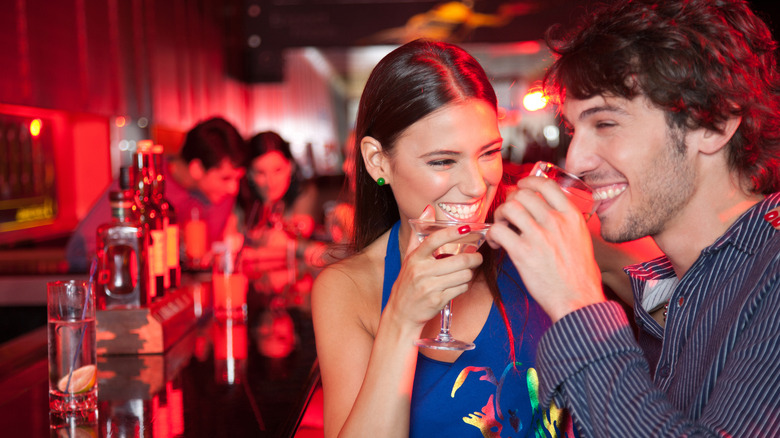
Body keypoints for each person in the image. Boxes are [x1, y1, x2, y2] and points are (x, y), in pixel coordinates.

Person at [487, 0, 780, 436]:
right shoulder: (672, 291)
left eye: (605, 123)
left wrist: (575, 302)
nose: (576, 160)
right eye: (572, 130)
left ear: (714, 125)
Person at [312, 39, 576, 437]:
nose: (476, 186)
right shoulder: (347, 288)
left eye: (488, 153)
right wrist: (401, 320)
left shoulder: (536, 236)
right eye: (442, 161)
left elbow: (679, 280)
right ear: (377, 161)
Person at [65, 116, 246, 271]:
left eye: (238, 179)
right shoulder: (143, 182)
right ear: (197, 168)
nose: (233, 188)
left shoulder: (220, 195)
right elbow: (79, 252)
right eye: (225, 178)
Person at [237, 130, 325, 283]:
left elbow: (286, 244)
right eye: (260, 172)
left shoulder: (305, 193)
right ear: (249, 173)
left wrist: (254, 253)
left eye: (277, 170)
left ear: (290, 167)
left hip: (298, 285)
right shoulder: (240, 199)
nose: (270, 182)